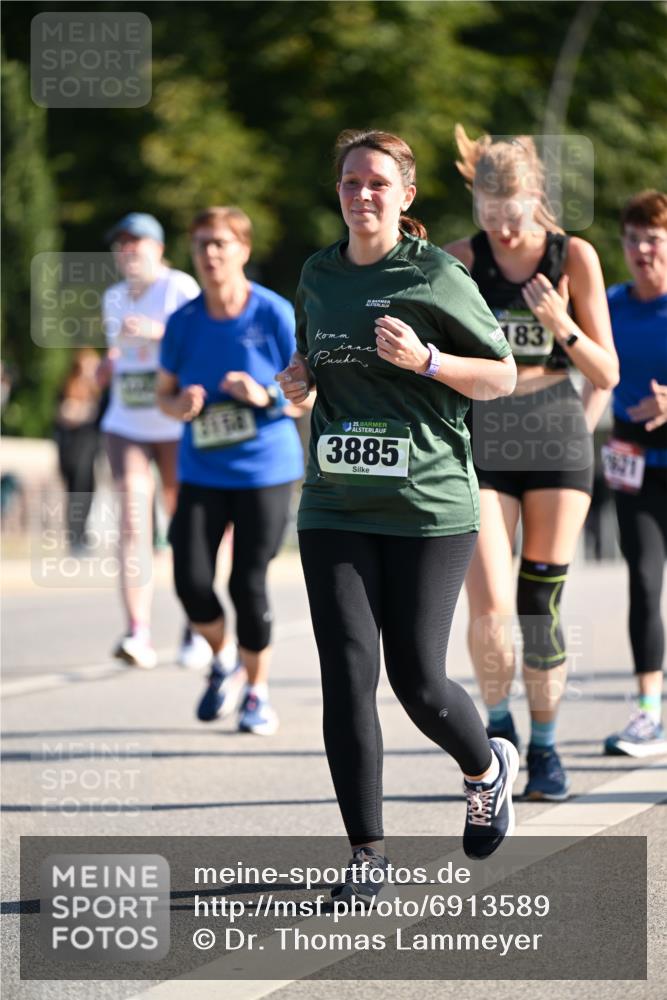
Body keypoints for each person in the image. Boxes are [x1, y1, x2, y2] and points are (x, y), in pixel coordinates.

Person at [277, 128, 519, 896]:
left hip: (427, 505)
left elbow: (502, 377)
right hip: (335, 502)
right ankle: (366, 855)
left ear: (405, 195)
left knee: (417, 681)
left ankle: (485, 767)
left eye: (378, 182)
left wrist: (428, 363)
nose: (361, 194)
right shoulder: (316, 276)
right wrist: (298, 387)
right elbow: (313, 373)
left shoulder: (436, 276)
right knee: (346, 677)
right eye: (350, 182)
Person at [444, 126, 619, 800]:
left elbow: (606, 368)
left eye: (511, 217)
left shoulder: (573, 256)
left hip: (552, 431)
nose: (502, 232)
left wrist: (560, 323)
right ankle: (497, 730)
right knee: (487, 602)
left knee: (537, 606)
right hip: (483, 435)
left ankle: (544, 747)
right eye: (489, 218)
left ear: (536, 199)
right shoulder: (460, 258)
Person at [157, 206, 304, 735]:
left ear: (243, 249)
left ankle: (258, 694)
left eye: (221, 243)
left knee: (248, 582)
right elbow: (163, 395)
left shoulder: (273, 313)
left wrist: (264, 392)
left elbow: (306, 396)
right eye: (201, 245)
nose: (211, 253)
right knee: (191, 580)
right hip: (202, 468)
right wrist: (182, 406)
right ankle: (223, 662)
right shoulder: (184, 321)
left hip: (265, 469)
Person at [101, 212, 205, 669]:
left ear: (158, 250)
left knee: (185, 525)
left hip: (175, 421)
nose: (127, 252)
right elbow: (120, 352)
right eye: (120, 245)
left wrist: (156, 332)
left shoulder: (179, 287)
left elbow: (203, 340)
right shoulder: (113, 297)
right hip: (126, 422)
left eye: (136, 243)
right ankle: (137, 631)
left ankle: (196, 625)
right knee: (130, 521)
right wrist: (109, 362)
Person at [603, 190, 667, 757]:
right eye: (632, 240)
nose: (642, 249)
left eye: (653, 239)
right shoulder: (611, 304)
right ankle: (648, 711)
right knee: (645, 583)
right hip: (633, 464)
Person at [54, 348, 103, 552]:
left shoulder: (96, 389)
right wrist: (86, 411)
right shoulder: (69, 385)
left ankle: (82, 533)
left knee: (88, 489)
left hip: (89, 448)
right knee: (76, 491)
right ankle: (74, 536)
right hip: (72, 449)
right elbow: (65, 412)